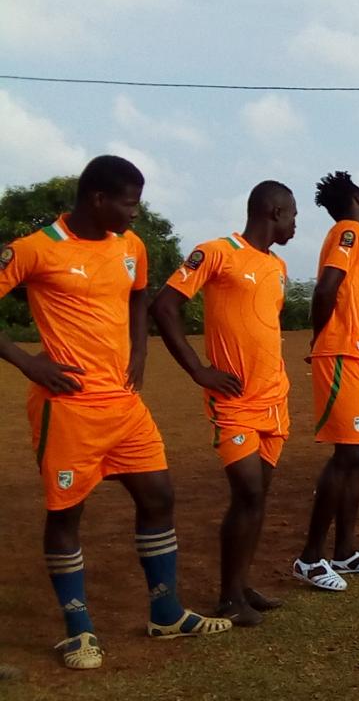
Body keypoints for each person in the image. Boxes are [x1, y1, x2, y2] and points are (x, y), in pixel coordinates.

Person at [0, 156, 232, 669]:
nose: (135, 213)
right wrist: (27, 362)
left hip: (124, 405)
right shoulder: (36, 249)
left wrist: (140, 350)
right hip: (68, 408)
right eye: (129, 203)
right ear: (98, 199)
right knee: (67, 513)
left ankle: (166, 613)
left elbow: (138, 296)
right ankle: (79, 631)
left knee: (158, 496)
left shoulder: (131, 246)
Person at [152, 180, 296, 624]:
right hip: (233, 402)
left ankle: (241, 585)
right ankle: (229, 598)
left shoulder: (277, 266)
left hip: (274, 399)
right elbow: (164, 306)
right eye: (293, 215)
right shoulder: (216, 252)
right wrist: (198, 370)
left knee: (258, 496)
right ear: (274, 211)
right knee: (247, 491)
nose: (295, 225)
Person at [294, 171, 359, 589]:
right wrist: (322, 339)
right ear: (358, 200)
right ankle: (309, 558)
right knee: (346, 455)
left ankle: (345, 551)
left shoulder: (358, 238)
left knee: (356, 457)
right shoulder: (349, 231)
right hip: (343, 355)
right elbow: (325, 289)